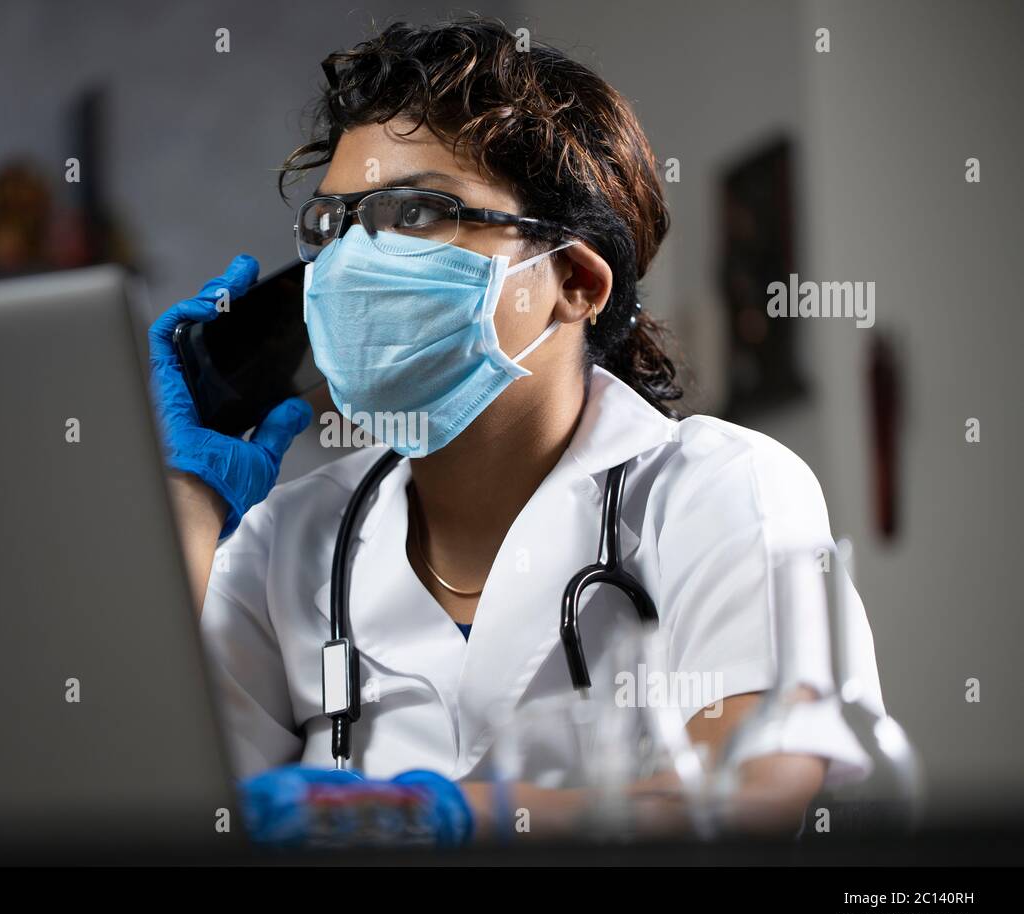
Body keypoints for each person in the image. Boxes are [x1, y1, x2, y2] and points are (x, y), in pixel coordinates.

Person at [149, 16, 884, 847]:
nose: (351, 262)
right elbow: (151, 810)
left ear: (573, 280)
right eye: (334, 224)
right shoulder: (284, 540)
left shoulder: (724, 487)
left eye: (416, 214)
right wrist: (186, 499)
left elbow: (752, 793)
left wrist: (449, 817)